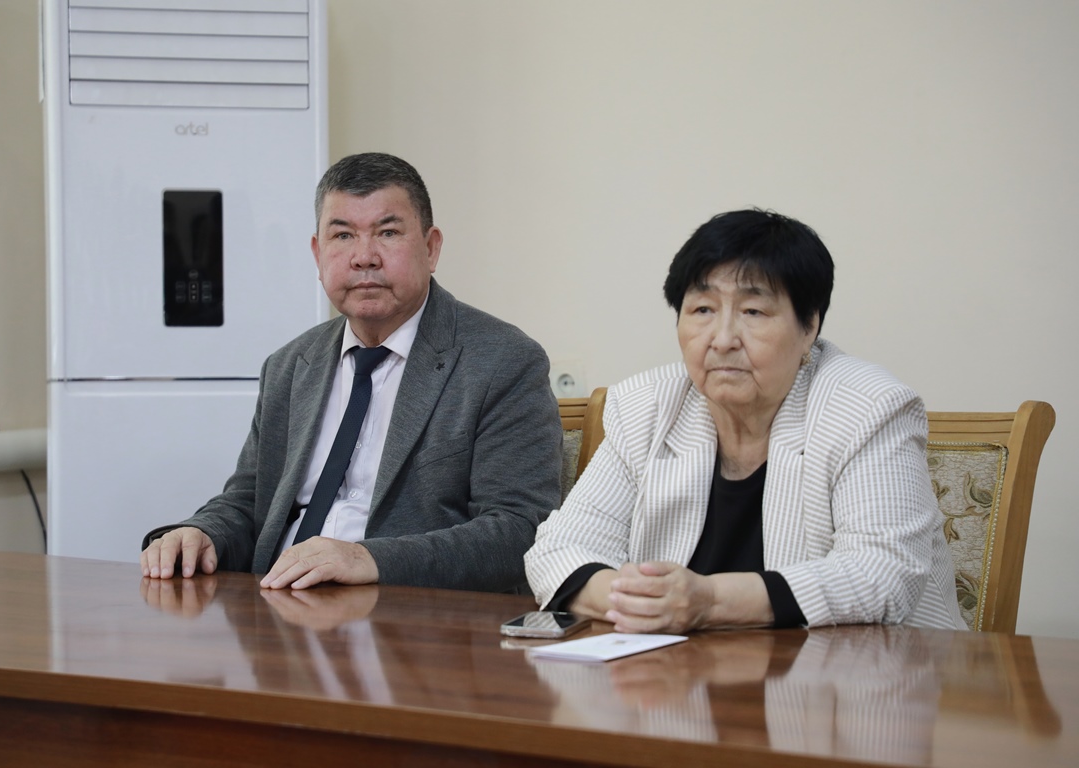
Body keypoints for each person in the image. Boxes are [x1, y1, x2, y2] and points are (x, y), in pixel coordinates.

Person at [525, 209, 966, 631]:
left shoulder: (866, 406)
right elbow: (557, 550)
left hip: (867, 675)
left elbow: (882, 573)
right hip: (686, 674)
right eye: (702, 310)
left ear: (809, 327)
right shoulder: (646, 406)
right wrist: (643, 601)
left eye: (753, 312)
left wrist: (708, 601)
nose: (722, 340)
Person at [141, 152, 562, 593]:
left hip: (407, 613)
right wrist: (202, 532)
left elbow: (519, 530)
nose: (364, 257)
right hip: (277, 606)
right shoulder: (289, 365)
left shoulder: (503, 361)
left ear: (431, 248)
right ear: (318, 254)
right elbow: (250, 500)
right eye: (343, 235)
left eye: (388, 232)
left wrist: (368, 558)